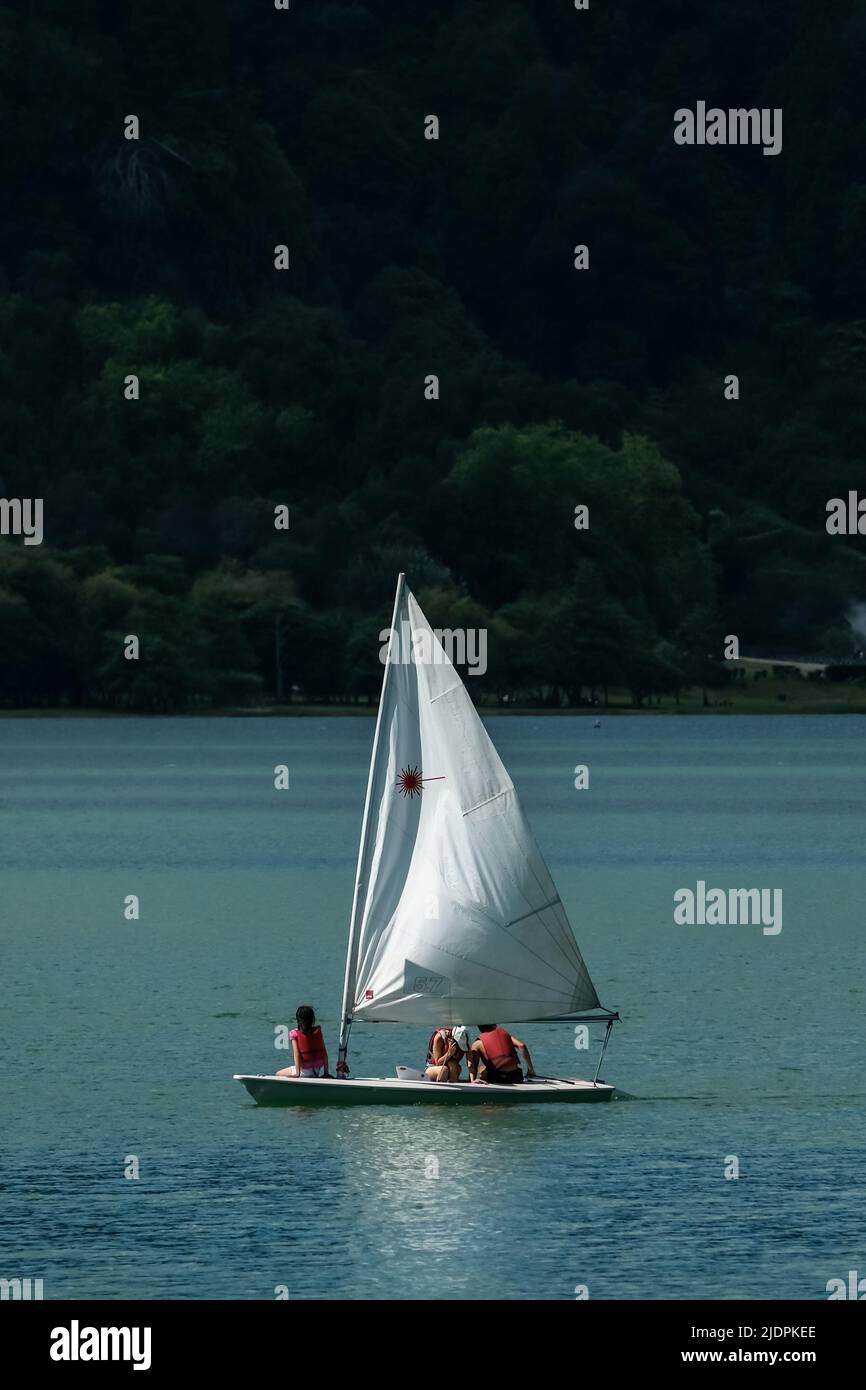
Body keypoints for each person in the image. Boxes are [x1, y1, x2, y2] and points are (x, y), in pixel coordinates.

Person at [470, 1024, 536, 1085]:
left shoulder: (477, 1043)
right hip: (516, 1076)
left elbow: (473, 1065)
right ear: (494, 1025)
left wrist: (472, 1080)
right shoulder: (504, 1035)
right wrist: (530, 1070)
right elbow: (522, 1046)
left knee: (482, 1068)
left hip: (497, 1078)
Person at [276, 1005, 330, 1078]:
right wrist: (326, 1073)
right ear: (312, 1019)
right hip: (317, 1070)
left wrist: (297, 1074)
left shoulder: (294, 1033)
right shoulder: (317, 1032)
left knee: (278, 1074)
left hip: (304, 1071)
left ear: (298, 1020)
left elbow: (297, 1054)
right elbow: (324, 1053)